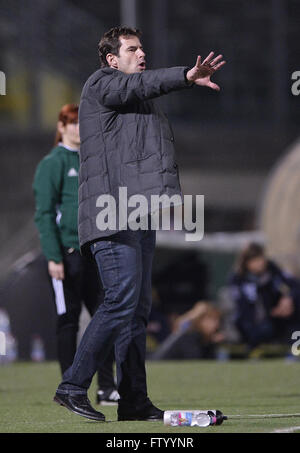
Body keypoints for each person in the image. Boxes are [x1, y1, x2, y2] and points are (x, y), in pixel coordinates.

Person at [53, 26, 226, 422]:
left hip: (134, 212)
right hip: (110, 212)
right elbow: (143, 85)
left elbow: (145, 100)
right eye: (133, 49)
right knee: (120, 300)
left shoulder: (136, 96)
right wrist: (185, 76)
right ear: (112, 59)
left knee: (136, 310)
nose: (142, 54)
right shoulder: (102, 83)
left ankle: (133, 400)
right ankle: (73, 386)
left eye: (143, 48)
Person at [33, 103, 119, 405]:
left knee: (106, 317)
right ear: (61, 127)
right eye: (72, 122)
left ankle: (106, 387)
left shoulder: (93, 160)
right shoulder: (53, 163)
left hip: (94, 252)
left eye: (82, 122)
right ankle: (69, 388)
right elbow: (44, 214)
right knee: (68, 321)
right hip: (66, 253)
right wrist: (53, 257)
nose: (78, 128)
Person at [229, 242, 300, 354]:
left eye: (261, 259)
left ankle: (296, 351)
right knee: (262, 329)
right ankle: (252, 349)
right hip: (253, 324)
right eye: (255, 261)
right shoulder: (238, 279)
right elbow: (243, 310)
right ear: (247, 263)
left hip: (277, 316)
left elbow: (295, 285)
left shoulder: (272, 269)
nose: (260, 264)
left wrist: (288, 299)